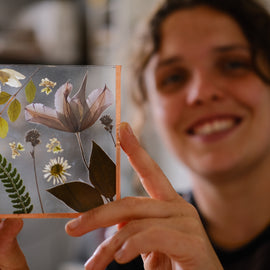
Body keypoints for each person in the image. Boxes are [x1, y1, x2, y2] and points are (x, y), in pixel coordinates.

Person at [1, 0, 270, 269]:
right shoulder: (126, 251)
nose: (201, 92)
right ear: (148, 109)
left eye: (234, 64)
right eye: (174, 77)